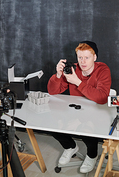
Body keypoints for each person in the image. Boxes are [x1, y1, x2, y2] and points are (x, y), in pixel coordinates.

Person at [47, 41, 111, 173]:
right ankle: (70, 147)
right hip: (76, 110)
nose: (83, 62)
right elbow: (53, 91)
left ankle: (92, 155)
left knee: (86, 128)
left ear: (94, 57)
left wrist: (77, 82)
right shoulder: (73, 69)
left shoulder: (103, 69)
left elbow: (102, 97)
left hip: (98, 113)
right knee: (52, 125)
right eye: (80, 57)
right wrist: (58, 75)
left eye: (87, 57)